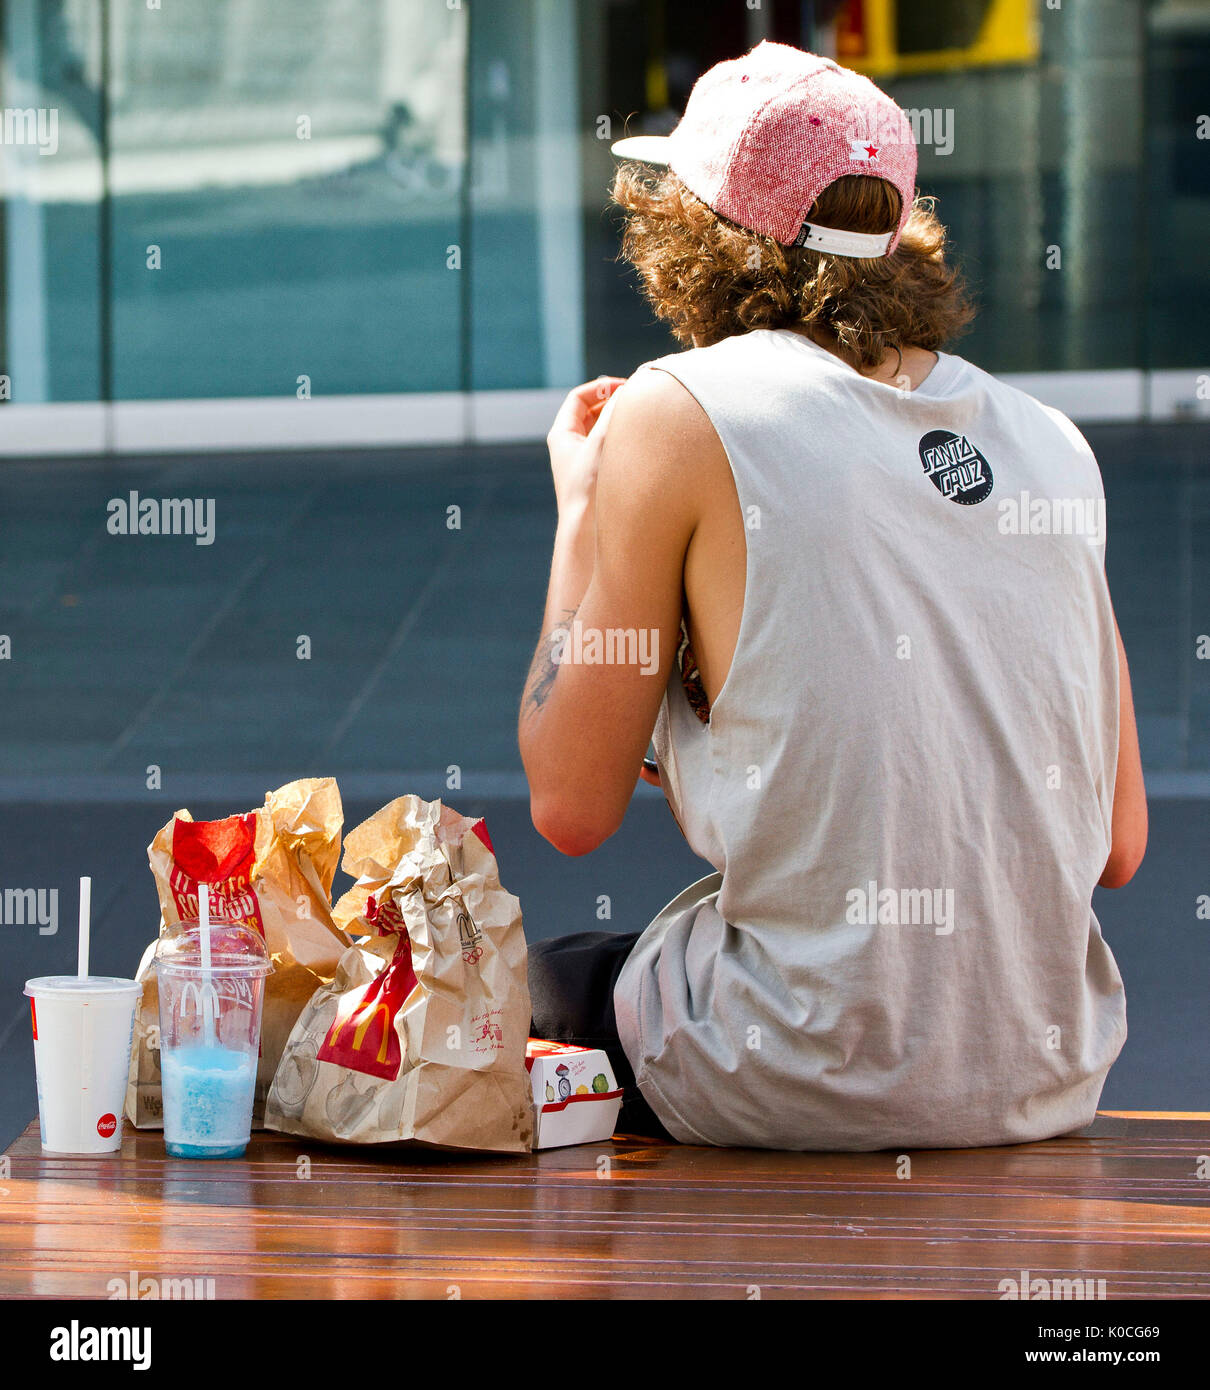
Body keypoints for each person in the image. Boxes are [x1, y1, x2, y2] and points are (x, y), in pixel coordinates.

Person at [517, 42, 1147, 1150]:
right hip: (1044, 1075)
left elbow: (571, 806)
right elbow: (1118, 845)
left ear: (691, 231)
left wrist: (582, 509)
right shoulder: (1051, 444)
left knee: (486, 991)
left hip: (786, 1061)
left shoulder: (677, 412)